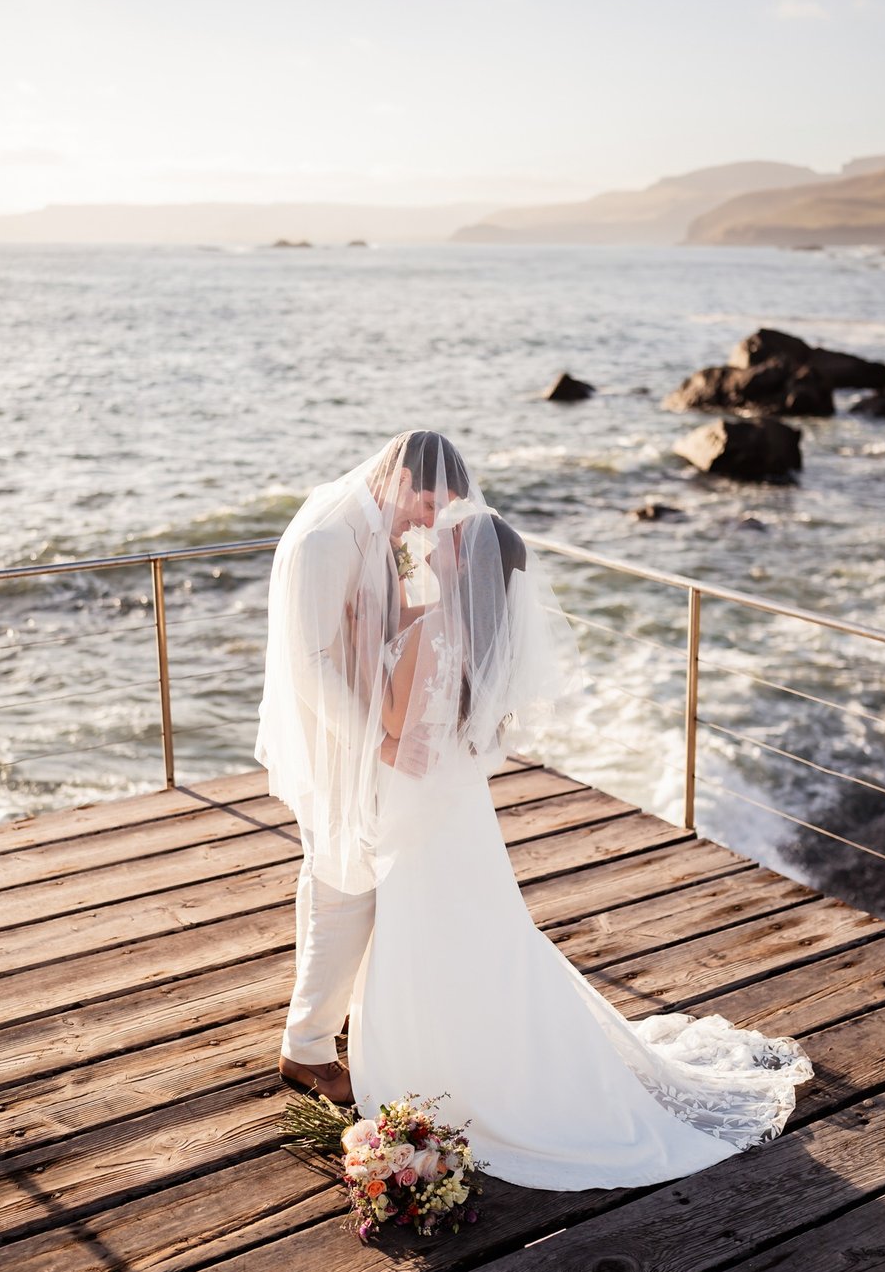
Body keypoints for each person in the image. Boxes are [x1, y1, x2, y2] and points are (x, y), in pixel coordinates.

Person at [343, 434, 814, 1191]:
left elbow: (395, 725)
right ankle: (476, 1057)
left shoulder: (432, 626)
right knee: (480, 937)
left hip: (425, 810)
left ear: (465, 563)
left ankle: (450, 1069)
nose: (439, 534)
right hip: (456, 810)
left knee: (435, 930)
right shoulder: (475, 636)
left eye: (451, 534)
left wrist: (374, 658)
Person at [255, 431, 471, 1103]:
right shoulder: (327, 538)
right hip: (338, 740)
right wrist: (376, 741)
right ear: (398, 479)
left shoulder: (383, 527)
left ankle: (324, 1024)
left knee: (334, 878)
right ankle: (308, 1051)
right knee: (346, 885)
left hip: (364, 733)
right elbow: (308, 662)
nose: (431, 520)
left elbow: (406, 616)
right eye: (428, 502)